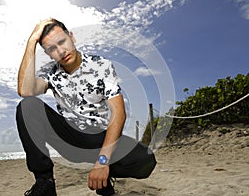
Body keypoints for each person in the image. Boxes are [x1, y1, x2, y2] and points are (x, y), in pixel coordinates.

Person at [16, 18, 156, 196]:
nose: (60, 51)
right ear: (48, 53)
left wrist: (102, 162)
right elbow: (25, 90)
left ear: (71, 37)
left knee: (145, 160)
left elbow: (119, 113)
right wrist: (31, 41)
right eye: (52, 49)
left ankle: (105, 180)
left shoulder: (101, 66)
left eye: (62, 42)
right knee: (27, 106)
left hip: (100, 138)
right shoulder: (49, 72)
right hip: (69, 139)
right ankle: (45, 182)